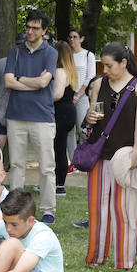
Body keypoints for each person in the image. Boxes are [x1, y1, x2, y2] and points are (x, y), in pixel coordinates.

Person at [81, 42, 137, 268]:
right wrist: (91, 116)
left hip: (125, 155)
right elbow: (97, 113)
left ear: (123, 63)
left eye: (110, 66)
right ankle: (96, 256)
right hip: (100, 154)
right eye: (103, 65)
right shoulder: (100, 84)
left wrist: (136, 153)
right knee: (97, 208)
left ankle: (125, 259)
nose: (105, 70)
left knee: (125, 208)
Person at [3, 10, 59, 224]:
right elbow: (8, 81)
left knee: (46, 166)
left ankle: (48, 210)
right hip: (16, 116)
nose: (30, 31)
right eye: (28, 27)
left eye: (35, 28)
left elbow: (44, 83)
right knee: (16, 165)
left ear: (44, 31)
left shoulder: (51, 53)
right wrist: (33, 81)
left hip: (42, 117)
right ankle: (15, 207)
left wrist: (21, 79)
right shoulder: (14, 52)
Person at [52, 41, 78, 195]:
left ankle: (59, 184)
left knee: (58, 148)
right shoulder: (71, 71)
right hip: (67, 112)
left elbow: (57, 94)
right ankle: (56, 182)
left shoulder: (60, 71)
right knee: (59, 147)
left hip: (60, 112)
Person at [67, 29, 95, 156]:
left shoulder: (88, 55)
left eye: (75, 37)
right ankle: (73, 160)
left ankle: (84, 157)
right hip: (68, 96)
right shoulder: (67, 55)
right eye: (70, 37)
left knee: (83, 128)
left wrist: (79, 94)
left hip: (82, 97)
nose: (72, 39)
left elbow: (90, 76)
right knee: (69, 130)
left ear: (81, 39)